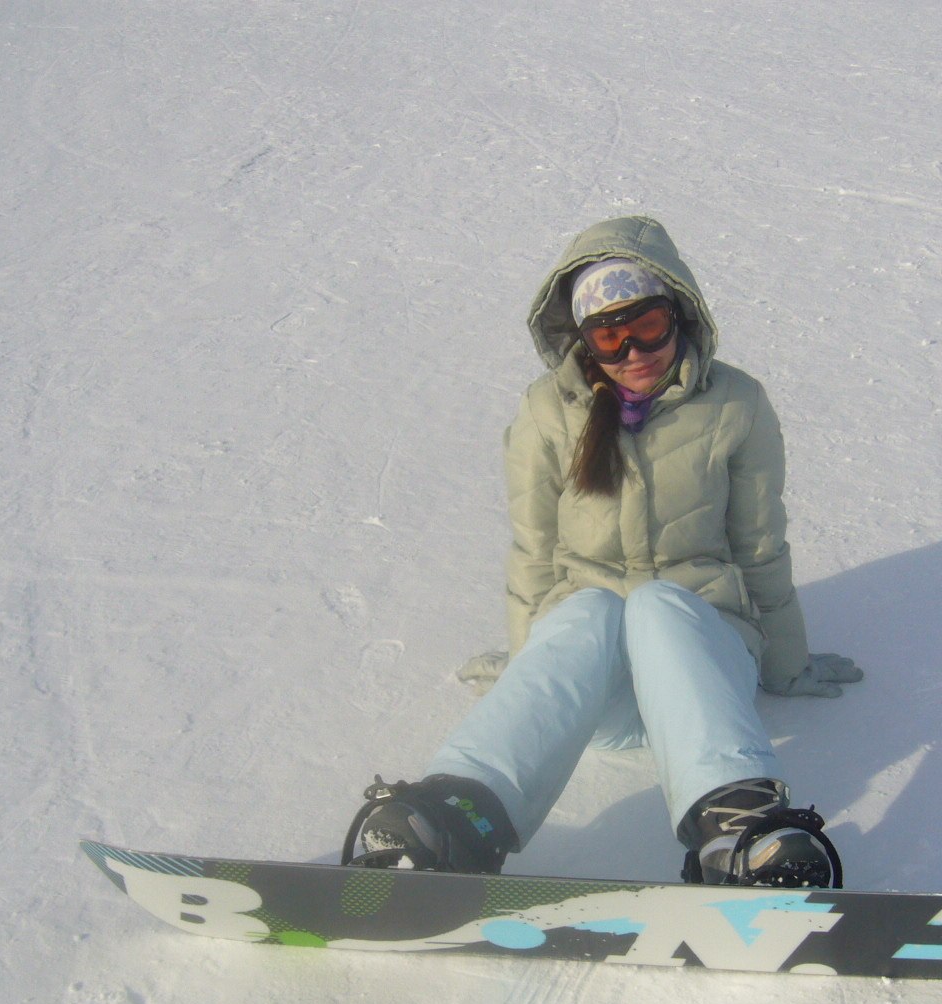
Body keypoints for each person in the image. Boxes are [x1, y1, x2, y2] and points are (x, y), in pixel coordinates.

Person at [343, 215, 862, 887]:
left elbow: (760, 544)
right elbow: (534, 551)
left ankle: (737, 827)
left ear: (680, 313)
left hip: (706, 662)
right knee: (589, 610)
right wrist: (528, 664)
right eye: (610, 336)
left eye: (648, 325)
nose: (634, 351)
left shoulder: (736, 404)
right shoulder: (547, 412)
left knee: (658, 605)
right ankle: (456, 817)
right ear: (584, 341)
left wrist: (788, 662)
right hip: (599, 692)